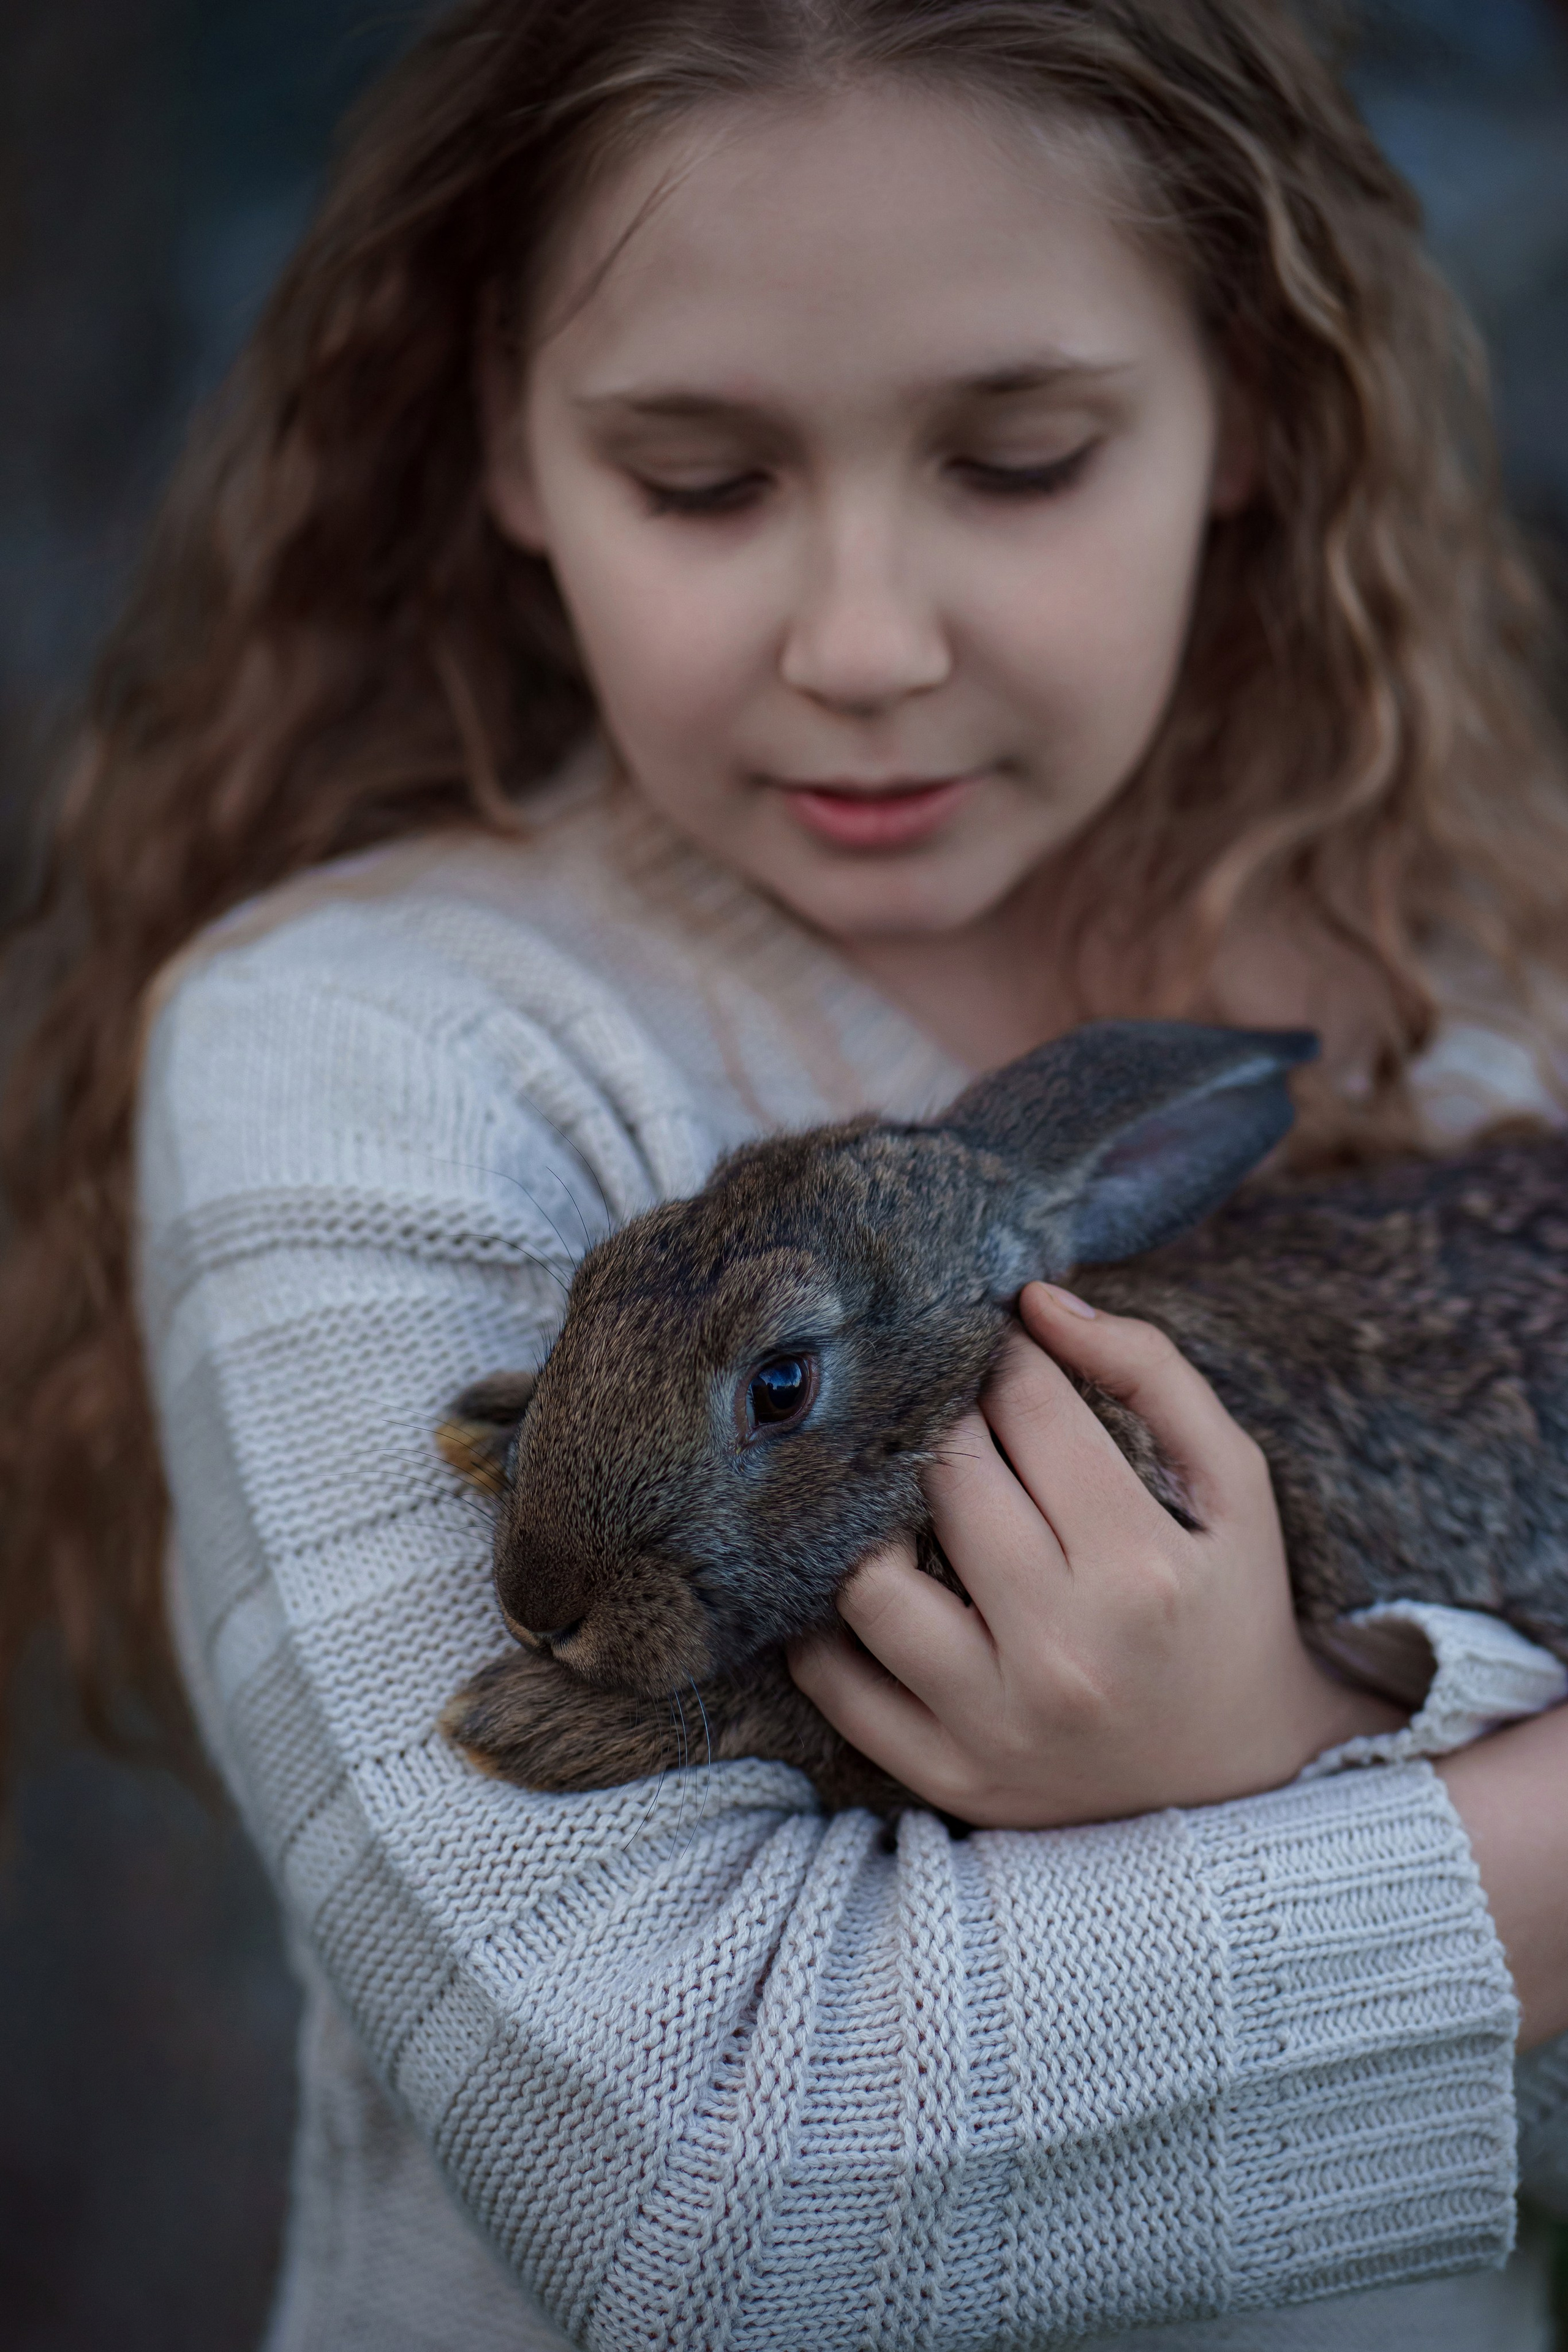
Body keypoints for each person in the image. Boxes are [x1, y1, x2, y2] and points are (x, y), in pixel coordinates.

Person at [5, 1, 1568, 2345]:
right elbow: (694, 2189)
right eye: (703, 481)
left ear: (1254, 403)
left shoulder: (1474, 986)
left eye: (1022, 458)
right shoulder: (382, 1058)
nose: (863, 643)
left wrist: (1292, 1738)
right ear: (505, 440)